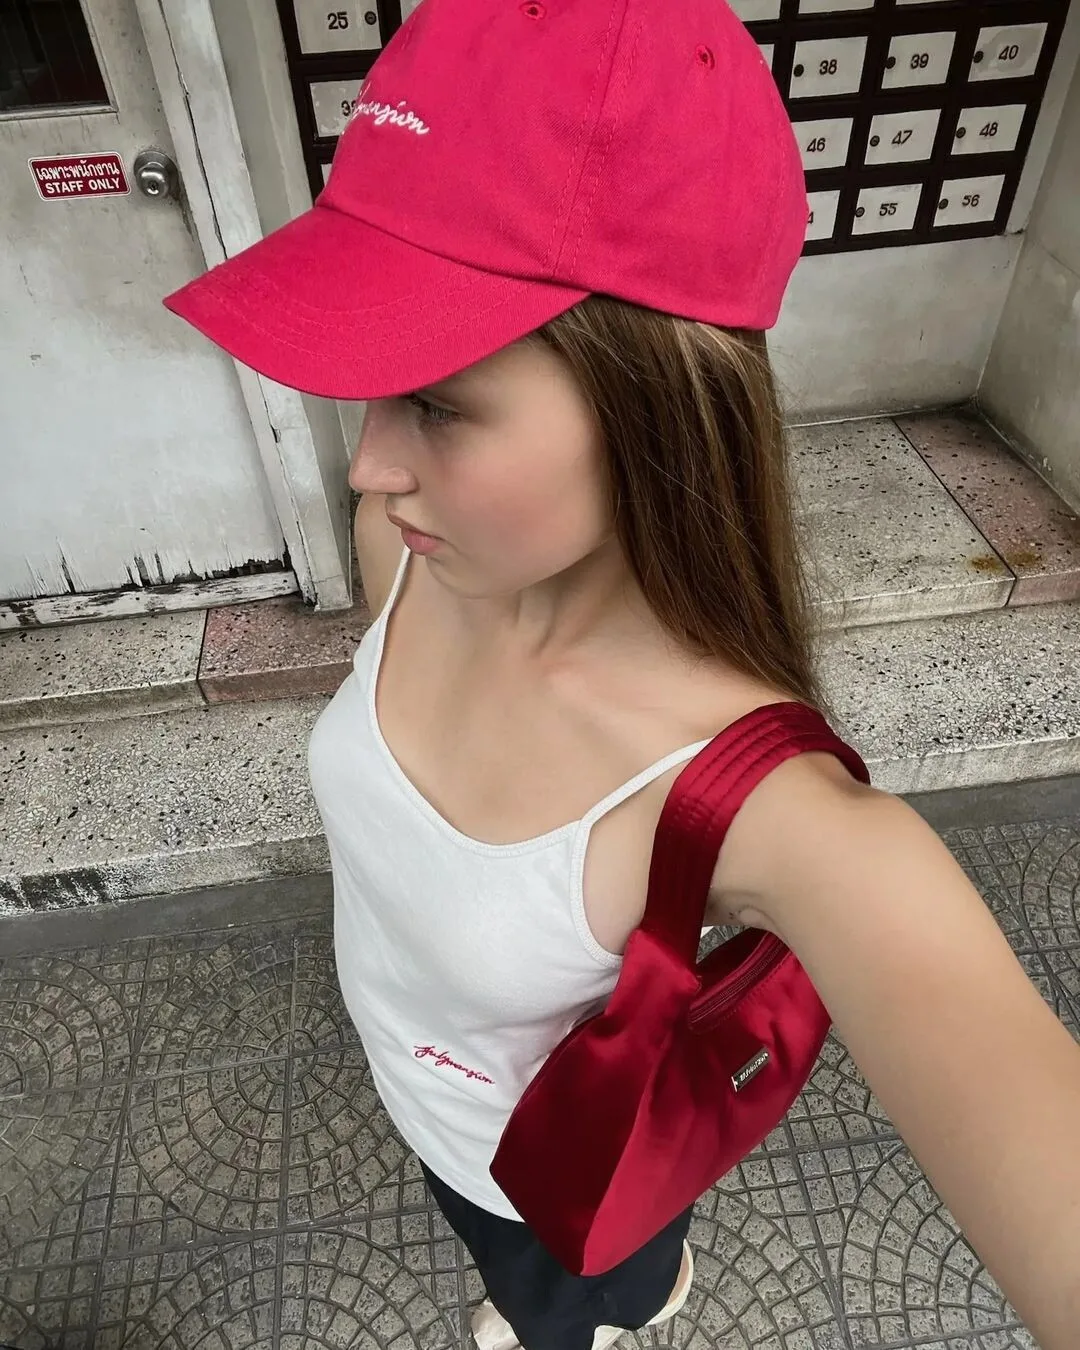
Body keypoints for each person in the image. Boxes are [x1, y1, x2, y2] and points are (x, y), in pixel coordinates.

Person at [164, 0, 1080, 1345]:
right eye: (378, 379)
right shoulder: (408, 550)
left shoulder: (774, 810)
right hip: (425, 1108)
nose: (368, 465)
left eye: (439, 400)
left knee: (579, 1295)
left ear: (655, 400)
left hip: (565, 1174)